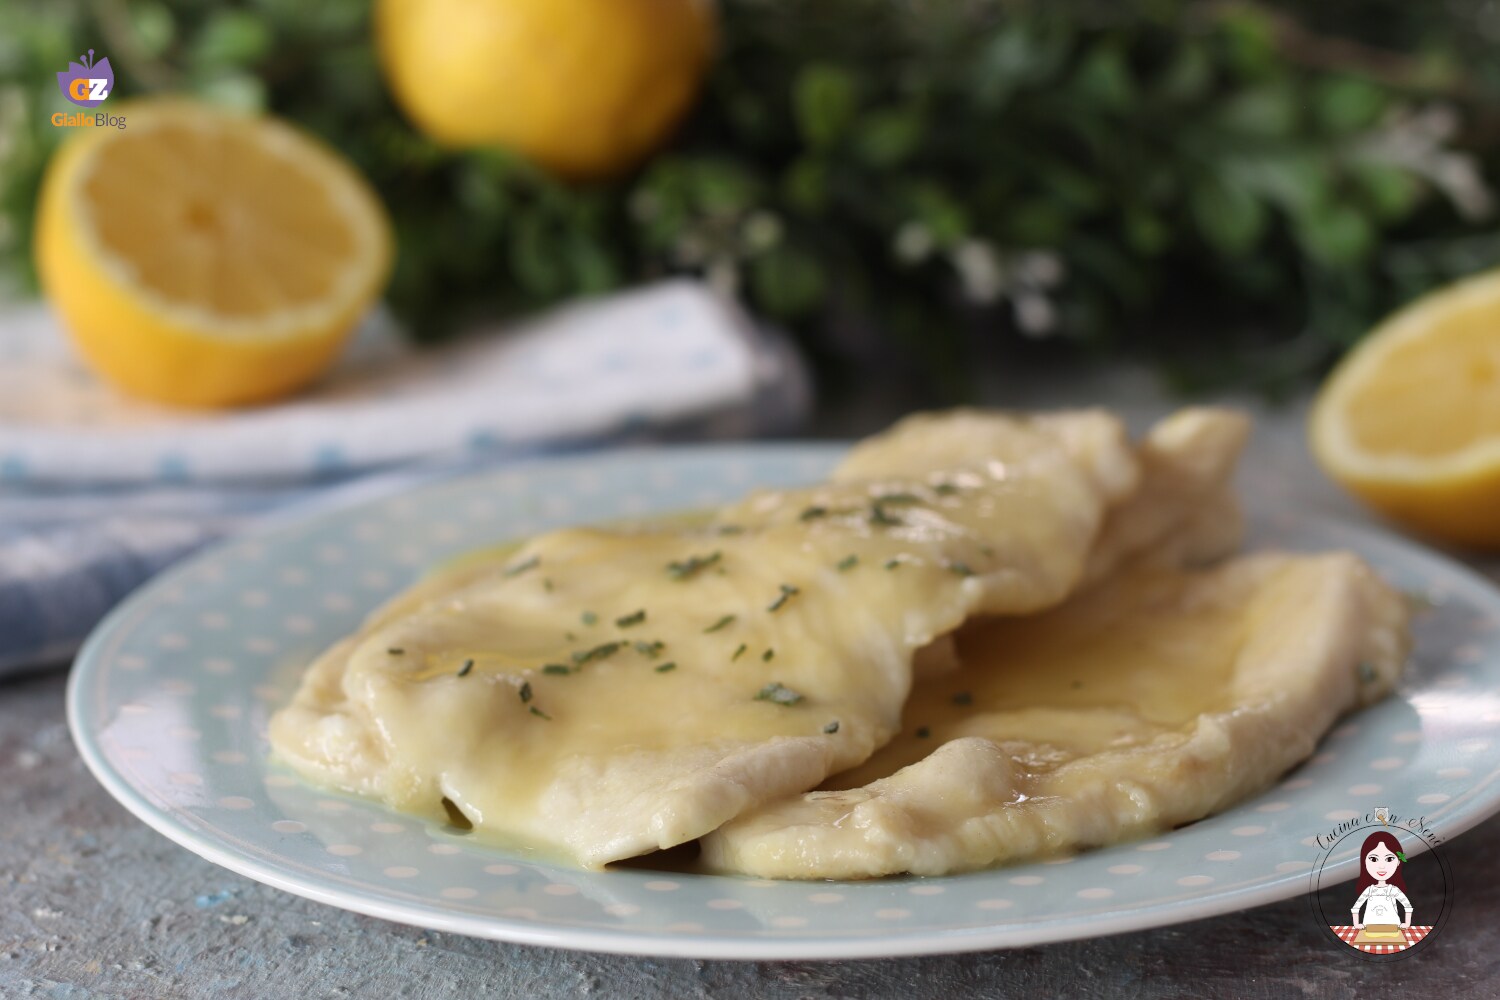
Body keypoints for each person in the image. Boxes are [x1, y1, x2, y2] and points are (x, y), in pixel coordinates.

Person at [1351, 831, 1413, 931]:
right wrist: (1357, 924)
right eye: (1374, 859)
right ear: (1364, 862)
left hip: (1392, 928)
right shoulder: (1369, 890)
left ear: (1398, 862)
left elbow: (1407, 906)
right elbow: (1355, 908)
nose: (1381, 866)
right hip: (1370, 928)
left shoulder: (1393, 890)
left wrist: (1406, 923)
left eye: (1389, 859)